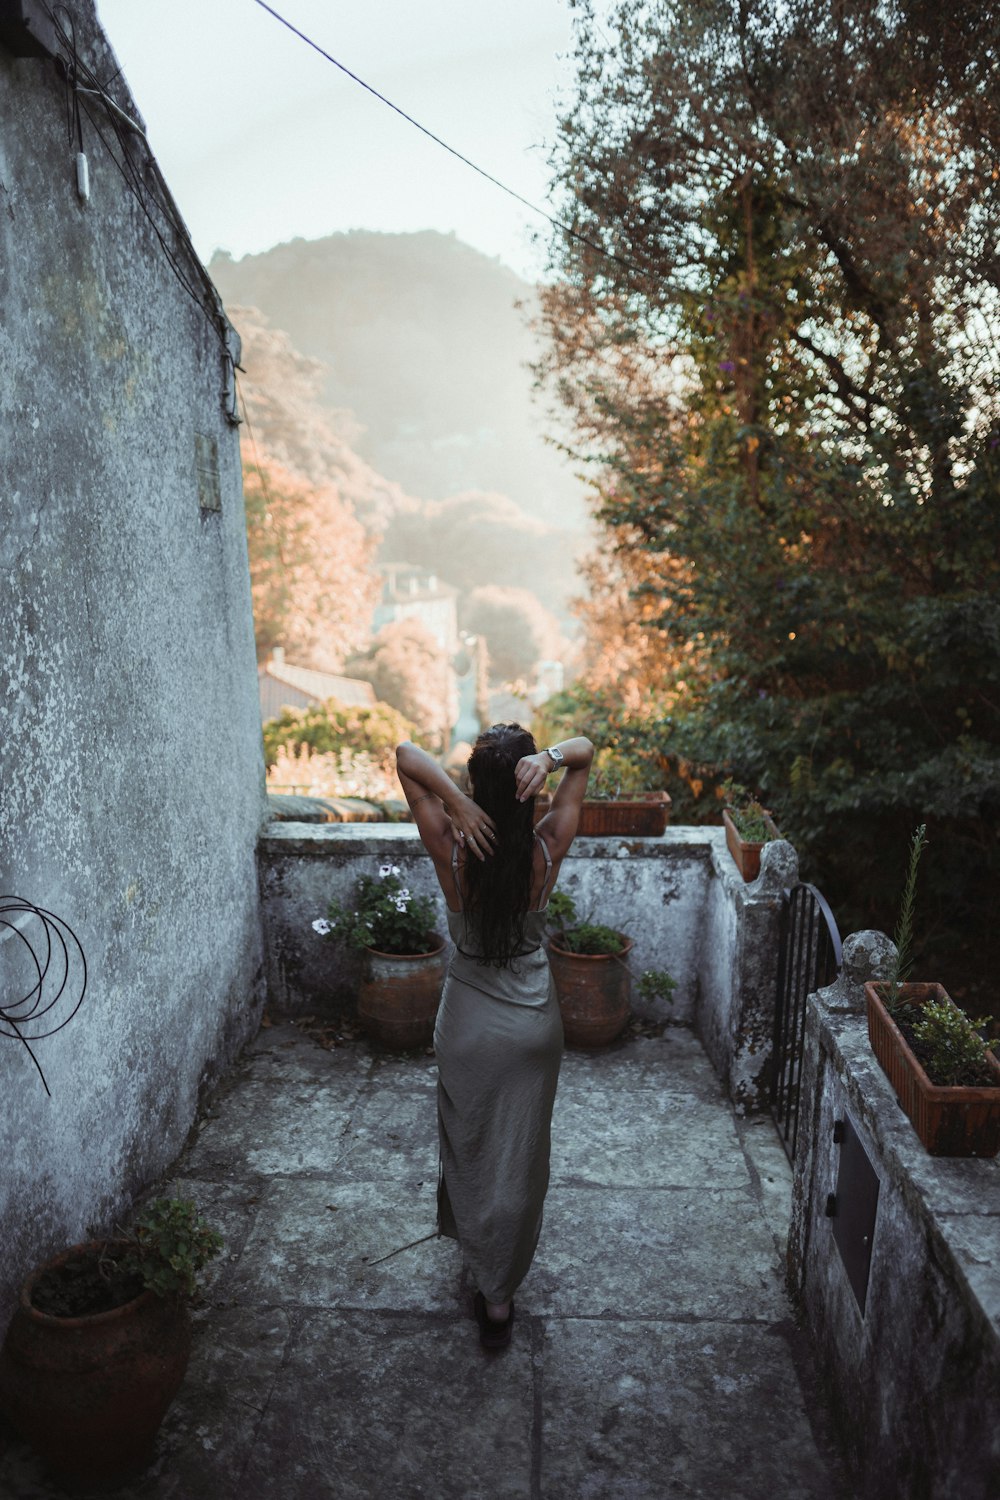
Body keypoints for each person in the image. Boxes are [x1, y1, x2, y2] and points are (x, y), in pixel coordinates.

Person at [395, 725, 594, 1350]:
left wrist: (456, 802)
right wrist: (553, 757)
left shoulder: (452, 848)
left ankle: (479, 1254)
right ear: (528, 785)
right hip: (533, 1026)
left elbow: (406, 757)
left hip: (468, 1026)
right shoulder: (548, 847)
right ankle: (500, 1296)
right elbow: (586, 751)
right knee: (520, 1155)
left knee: (472, 1143)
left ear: (480, 786)